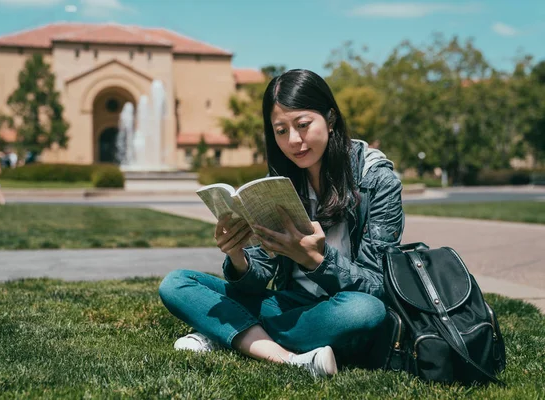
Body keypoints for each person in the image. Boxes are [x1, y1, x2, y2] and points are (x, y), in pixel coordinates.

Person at [158, 69, 404, 378]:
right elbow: (258, 278)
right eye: (281, 130)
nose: (294, 141)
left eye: (303, 125)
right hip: (290, 308)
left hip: (339, 310)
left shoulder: (376, 179)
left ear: (329, 119)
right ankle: (284, 356)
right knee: (177, 283)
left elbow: (378, 287)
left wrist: (315, 260)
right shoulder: (278, 182)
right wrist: (238, 257)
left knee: (365, 311)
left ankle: (228, 333)